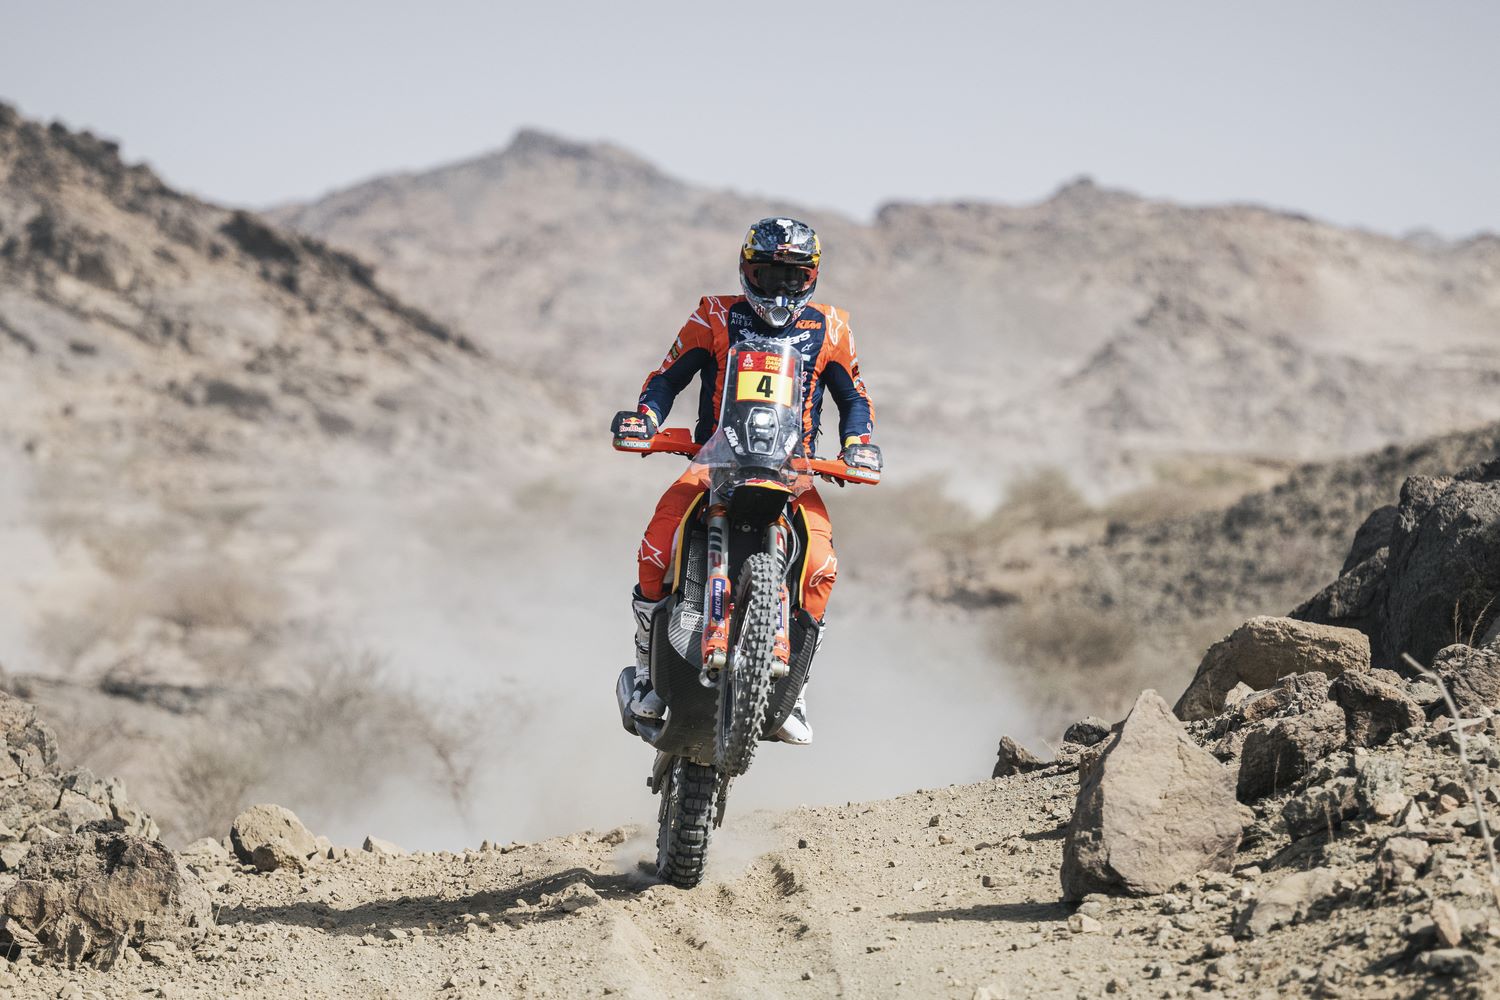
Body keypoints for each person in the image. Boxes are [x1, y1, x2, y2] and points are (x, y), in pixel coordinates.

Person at [611, 218, 882, 745]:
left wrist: (857, 445)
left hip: (793, 469)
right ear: (745, 270)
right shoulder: (714, 314)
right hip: (714, 459)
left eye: (793, 277)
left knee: (822, 567)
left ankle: (795, 688)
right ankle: (646, 673)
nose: (780, 288)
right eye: (767, 274)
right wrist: (646, 415)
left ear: (812, 277)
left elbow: (854, 397)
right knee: (654, 547)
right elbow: (669, 376)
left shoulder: (833, 328)